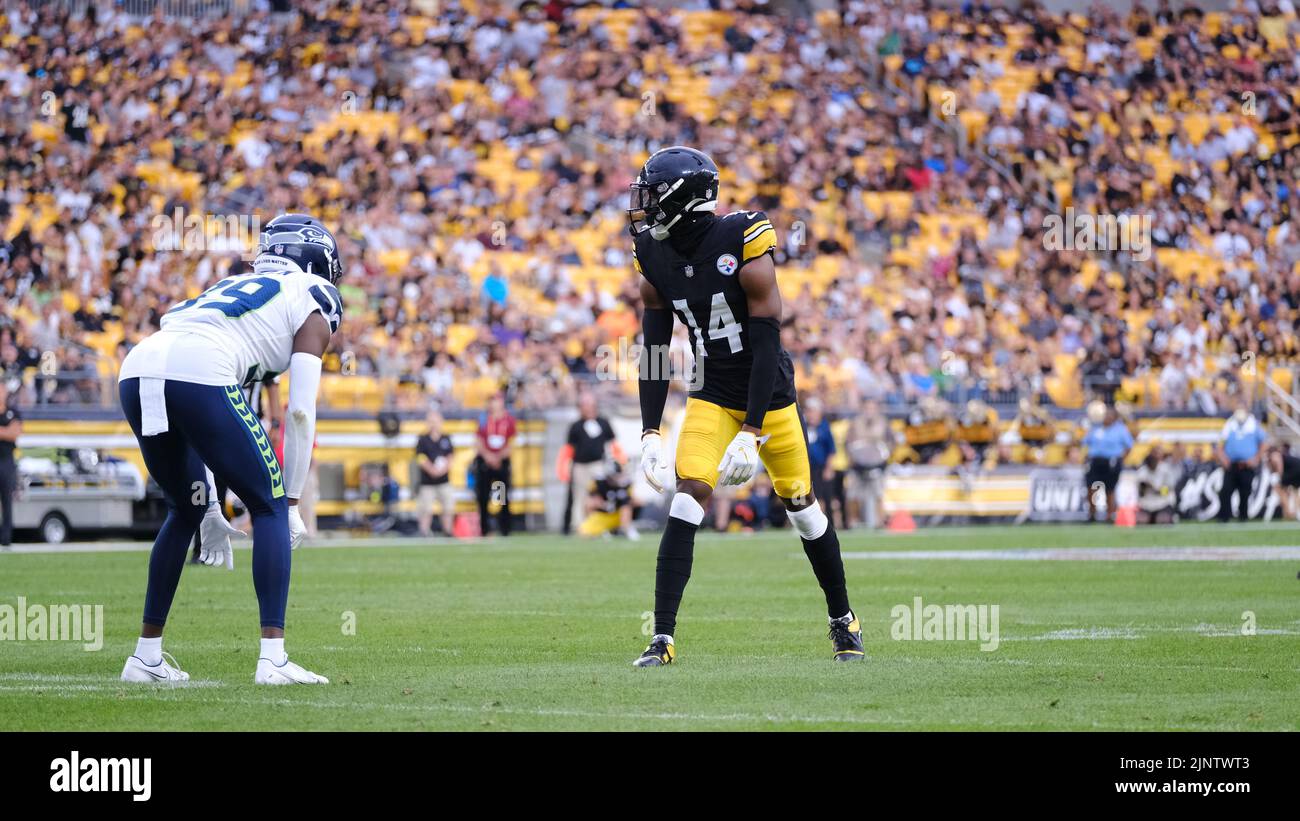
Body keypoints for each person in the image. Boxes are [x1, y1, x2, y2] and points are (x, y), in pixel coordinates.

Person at [631, 146, 861, 666]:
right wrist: (649, 431)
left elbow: (766, 342)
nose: (641, 207)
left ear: (682, 199)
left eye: (650, 194)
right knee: (688, 494)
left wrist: (752, 430)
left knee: (801, 507)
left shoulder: (742, 237)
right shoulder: (653, 253)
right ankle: (662, 639)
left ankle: (843, 621)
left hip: (769, 397)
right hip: (712, 391)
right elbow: (653, 349)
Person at [116, 213, 343, 685]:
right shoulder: (312, 295)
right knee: (270, 505)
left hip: (139, 366)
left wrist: (210, 505)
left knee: (184, 507)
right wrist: (293, 500)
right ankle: (273, 660)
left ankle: (145, 657)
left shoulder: (231, 286)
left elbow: (205, 411)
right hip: (197, 368)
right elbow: (300, 411)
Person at [557, 391, 615, 535]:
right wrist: (565, 467)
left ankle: (601, 525)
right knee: (579, 496)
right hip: (580, 465)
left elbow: (611, 443)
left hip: (598, 464)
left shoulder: (603, 422)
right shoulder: (576, 426)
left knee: (601, 496)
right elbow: (569, 448)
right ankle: (579, 525)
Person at [1082, 403, 1133, 523]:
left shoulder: (1120, 429)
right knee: (1091, 487)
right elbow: (1085, 443)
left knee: (1110, 489)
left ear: (1114, 417)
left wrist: (1121, 458)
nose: (1106, 417)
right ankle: (1092, 513)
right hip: (1095, 461)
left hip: (1112, 462)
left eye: (1109, 415)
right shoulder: (1096, 428)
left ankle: (1110, 515)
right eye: (1105, 415)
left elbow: (1129, 446)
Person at [474, 391, 516, 536]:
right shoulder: (484, 419)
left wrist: (498, 457)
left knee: (502, 497)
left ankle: (504, 528)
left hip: (501, 462)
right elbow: (478, 441)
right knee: (483, 496)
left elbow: (511, 443)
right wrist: (488, 456)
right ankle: (484, 529)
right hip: (486, 462)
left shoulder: (508, 420)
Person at [1218, 398, 1266, 522]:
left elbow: (1264, 443)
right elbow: (1220, 446)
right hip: (1231, 465)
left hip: (1247, 466)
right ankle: (1224, 517)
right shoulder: (1229, 424)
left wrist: (1256, 458)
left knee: (1245, 493)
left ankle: (1243, 517)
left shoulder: (1253, 424)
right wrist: (1223, 459)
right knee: (1225, 491)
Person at [415, 409, 455, 537]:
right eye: (431, 421)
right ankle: (424, 531)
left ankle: (447, 531)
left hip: (444, 480)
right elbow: (420, 458)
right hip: (427, 481)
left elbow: (450, 456)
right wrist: (431, 470)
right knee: (426, 509)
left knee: (448, 507)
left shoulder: (446, 438)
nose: (433, 424)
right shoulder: (423, 439)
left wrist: (442, 470)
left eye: (436, 421)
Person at [577, 456, 638, 540]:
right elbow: (591, 499)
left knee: (626, 507)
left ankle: (627, 529)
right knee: (584, 531)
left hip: (618, 516)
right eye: (616, 475)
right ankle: (602, 530)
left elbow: (631, 501)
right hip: (603, 515)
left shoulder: (626, 485)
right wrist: (602, 504)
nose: (619, 477)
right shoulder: (598, 483)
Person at [1134, 447, 1181, 524]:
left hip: (1163, 503)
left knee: (1162, 520)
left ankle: (1170, 517)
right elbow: (1141, 494)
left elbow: (1168, 491)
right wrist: (1143, 487)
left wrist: (1154, 488)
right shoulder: (1142, 472)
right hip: (1146, 504)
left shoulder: (1166, 469)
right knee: (1141, 521)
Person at [0, 380, 21, 547]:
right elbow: (9, 431)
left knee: (7, 501)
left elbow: (14, 433)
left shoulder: (13, 412)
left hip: (6, 461)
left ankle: (6, 538)